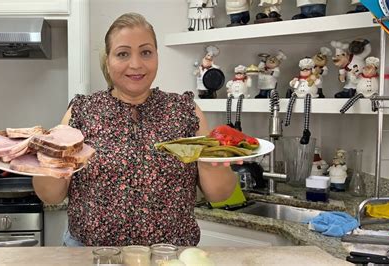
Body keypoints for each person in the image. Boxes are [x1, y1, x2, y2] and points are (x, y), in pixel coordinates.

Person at [32, 13, 237, 247]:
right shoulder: (81, 112)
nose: (136, 64)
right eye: (123, 53)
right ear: (108, 61)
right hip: (93, 256)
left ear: (157, 56)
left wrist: (217, 161)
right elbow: (51, 195)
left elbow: (219, 194)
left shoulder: (186, 111)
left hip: (169, 257)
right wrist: (43, 157)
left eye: (146, 52)